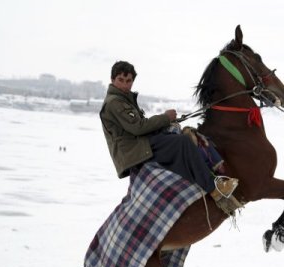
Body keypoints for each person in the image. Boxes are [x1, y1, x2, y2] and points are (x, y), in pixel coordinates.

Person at [100, 61, 239, 211]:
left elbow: (137, 125)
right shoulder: (115, 102)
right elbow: (138, 127)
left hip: (139, 145)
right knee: (183, 142)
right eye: (121, 80)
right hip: (135, 151)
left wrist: (166, 124)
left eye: (129, 81)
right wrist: (165, 117)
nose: (125, 85)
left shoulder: (123, 99)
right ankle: (214, 189)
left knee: (182, 134)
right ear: (112, 80)